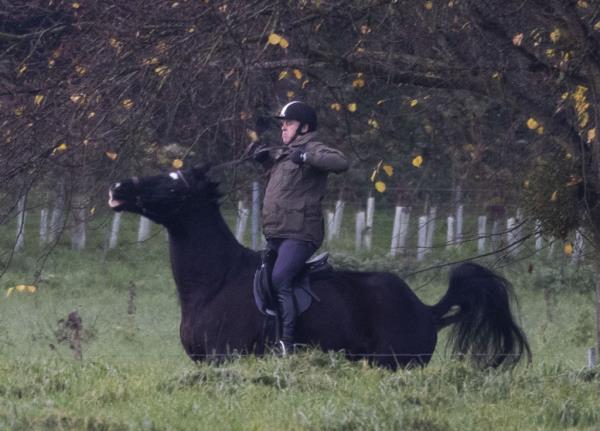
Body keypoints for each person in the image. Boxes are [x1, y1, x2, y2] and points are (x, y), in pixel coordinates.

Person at [254, 100, 349, 355]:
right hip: (277, 232)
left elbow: (341, 162)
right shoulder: (283, 155)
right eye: (282, 124)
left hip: (300, 233)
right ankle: (269, 335)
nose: (283, 129)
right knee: (262, 280)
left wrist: (307, 156)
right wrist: (264, 162)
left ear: (304, 127)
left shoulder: (313, 148)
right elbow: (282, 190)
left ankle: (287, 342)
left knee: (280, 279)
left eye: (289, 123)